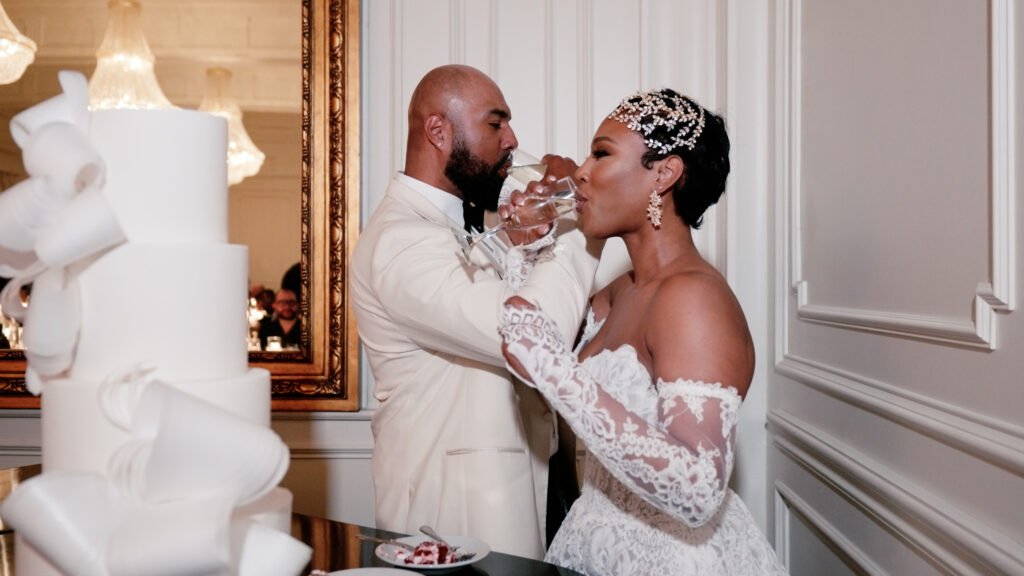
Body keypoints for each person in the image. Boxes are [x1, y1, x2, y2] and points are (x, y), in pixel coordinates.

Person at [499, 89, 787, 575]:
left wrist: (552, 367)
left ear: (664, 173)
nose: (582, 171)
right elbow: (527, 347)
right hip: (591, 539)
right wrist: (529, 247)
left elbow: (698, 489)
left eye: (602, 153)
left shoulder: (693, 299)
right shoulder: (622, 291)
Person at [349, 64, 601, 559]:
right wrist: (580, 219)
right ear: (438, 131)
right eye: (495, 123)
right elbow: (532, 334)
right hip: (456, 511)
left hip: (524, 480)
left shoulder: (451, 224)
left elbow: (517, 171)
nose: (512, 138)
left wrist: (551, 177)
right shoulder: (402, 243)